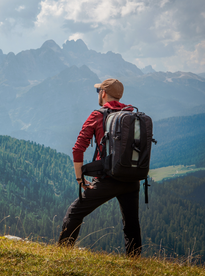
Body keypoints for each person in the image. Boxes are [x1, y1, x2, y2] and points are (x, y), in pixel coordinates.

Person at [58, 78, 142, 256]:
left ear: (103, 93)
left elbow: (78, 148)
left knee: (74, 212)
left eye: (98, 91)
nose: (98, 94)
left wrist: (80, 178)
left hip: (108, 178)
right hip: (132, 178)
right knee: (131, 223)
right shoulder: (131, 114)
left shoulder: (98, 115)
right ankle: (135, 263)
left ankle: (62, 254)